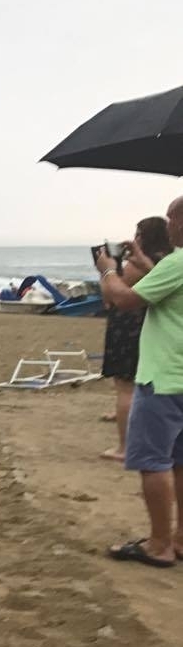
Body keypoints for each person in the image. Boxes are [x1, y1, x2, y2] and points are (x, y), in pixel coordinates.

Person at [95, 195, 183, 567]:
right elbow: (169, 291)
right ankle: (179, 539)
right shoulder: (173, 266)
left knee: (154, 462)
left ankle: (159, 544)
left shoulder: (178, 262)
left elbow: (124, 298)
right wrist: (146, 264)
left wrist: (106, 270)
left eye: (171, 218)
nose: (167, 225)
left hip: (164, 377)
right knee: (180, 462)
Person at [100, 217, 174, 461]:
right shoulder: (168, 260)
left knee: (125, 386)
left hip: (129, 325)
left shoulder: (140, 264)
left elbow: (113, 296)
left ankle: (124, 447)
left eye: (138, 234)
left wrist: (108, 270)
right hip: (151, 326)